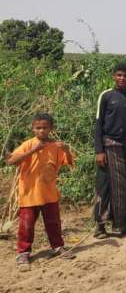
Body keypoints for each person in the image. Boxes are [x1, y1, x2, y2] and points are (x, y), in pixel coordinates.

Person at [8, 114, 74, 271]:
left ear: (51, 128)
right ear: (33, 129)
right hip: (29, 194)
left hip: (49, 193)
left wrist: (66, 150)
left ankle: (58, 247)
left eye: (45, 127)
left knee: (53, 223)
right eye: (38, 128)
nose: (42, 131)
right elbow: (11, 160)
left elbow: (69, 162)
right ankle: (23, 253)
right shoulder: (28, 144)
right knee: (27, 225)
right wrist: (34, 150)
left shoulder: (56, 146)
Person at [93, 62, 126, 239]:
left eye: (125, 76)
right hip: (111, 145)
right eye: (119, 75)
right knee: (110, 185)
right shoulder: (106, 96)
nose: (122, 78)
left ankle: (124, 221)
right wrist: (99, 151)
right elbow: (98, 124)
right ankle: (107, 225)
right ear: (113, 76)